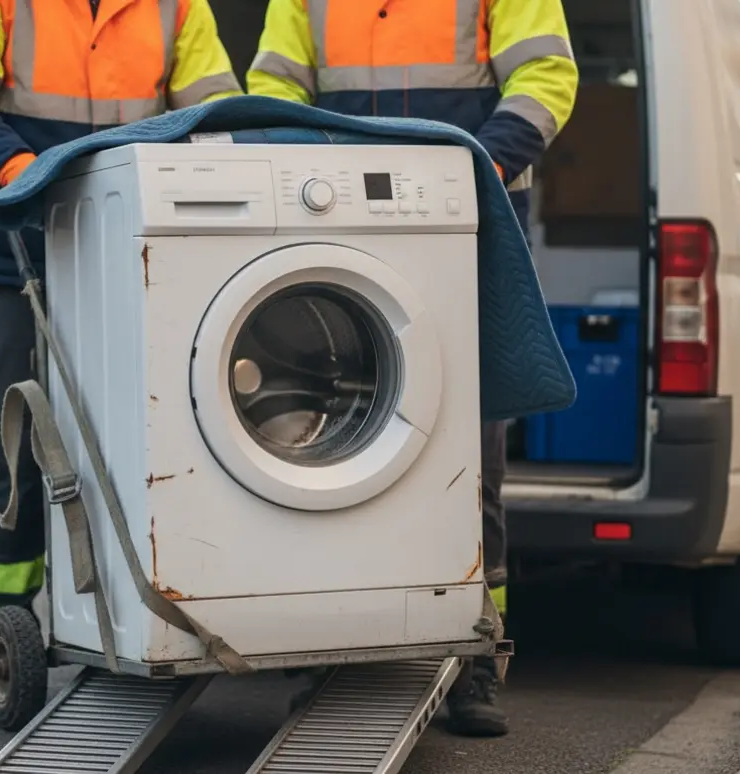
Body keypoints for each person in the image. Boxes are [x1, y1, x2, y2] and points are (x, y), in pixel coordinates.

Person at [248, 0, 578, 738]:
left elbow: (546, 76)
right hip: (339, 227)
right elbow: (274, 89)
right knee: (332, 456)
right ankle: (329, 659)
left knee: (470, 461)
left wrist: (480, 164)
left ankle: (477, 660)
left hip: (470, 224)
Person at [0, 0, 243, 715]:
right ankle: (0, 628)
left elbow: (215, 109)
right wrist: (19, 168)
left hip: (133, 247)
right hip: (13, 243)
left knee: (152, 430)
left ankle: (157, 607)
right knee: (11, 441)